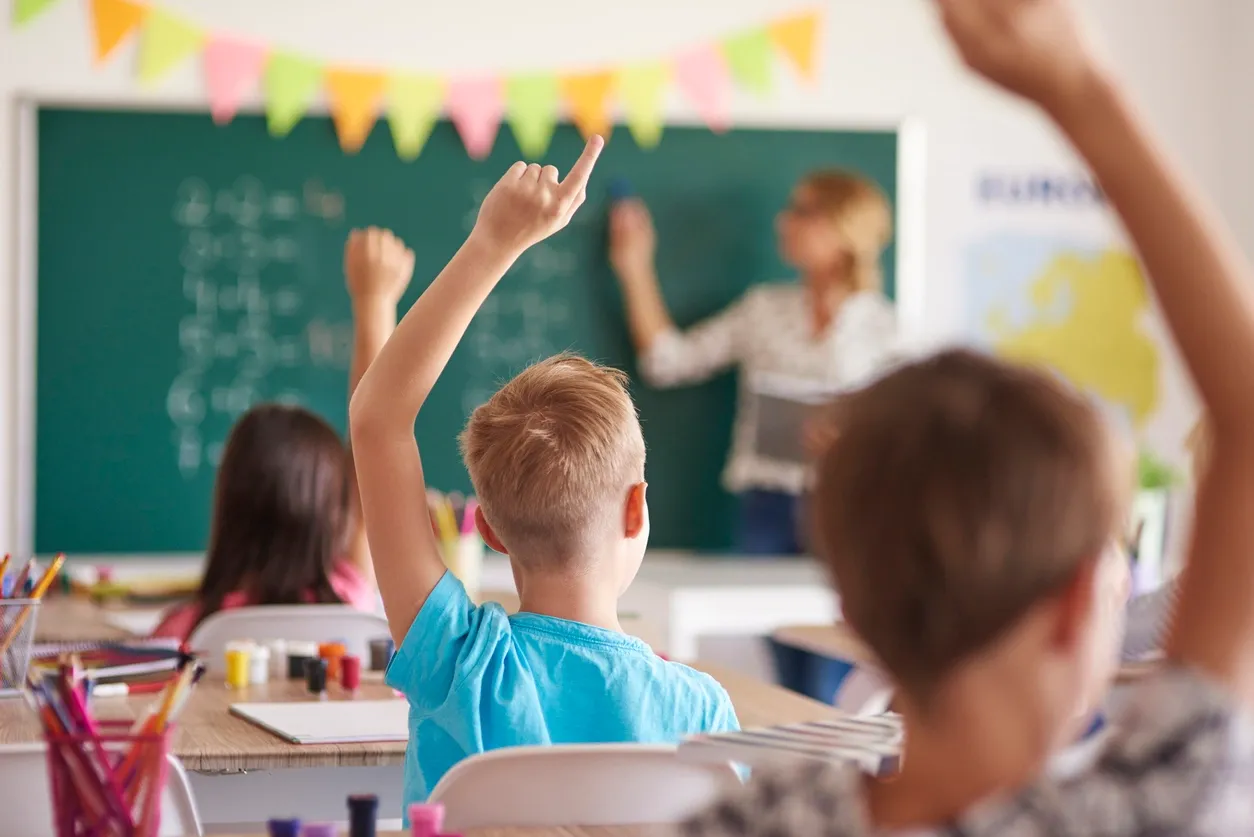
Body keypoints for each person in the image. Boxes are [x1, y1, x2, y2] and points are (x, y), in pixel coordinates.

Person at [679, 0, 1254, 835]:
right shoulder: (1147, 812)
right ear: (1084, 598)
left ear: (848, 605)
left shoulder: (743, 822)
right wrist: (1082, 91)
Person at [350, 137, 739, 814]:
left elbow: (378, 420)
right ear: (636, 508)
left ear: (490, 529)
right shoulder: (700, 711)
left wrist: (492, 243)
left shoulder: (459, 663)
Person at [609, 171, 898, 555]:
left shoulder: (889, 332)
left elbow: (909, 438)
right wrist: (634, 267)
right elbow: (665, 361)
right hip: (765, 508)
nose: (783, 221)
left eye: (803, 211)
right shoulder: (763, 310)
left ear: (843, 228)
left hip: (851, 503)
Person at [152, 228, 414, 640]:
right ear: (334, 511)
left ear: (228, 506)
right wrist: (374, 302)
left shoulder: (186, 632)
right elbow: (372, 453)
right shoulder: (351, 599)